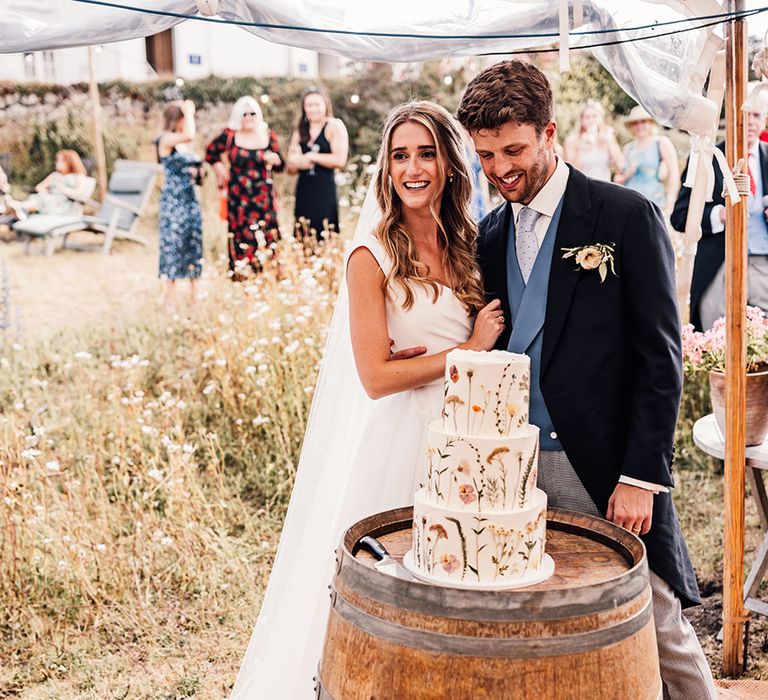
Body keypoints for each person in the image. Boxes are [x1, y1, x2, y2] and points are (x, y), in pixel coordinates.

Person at [456, 60, 716, 700]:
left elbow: (661, 358)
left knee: (655, 622)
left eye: (513, 149)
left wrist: (640, 476)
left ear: (550, 133)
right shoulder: (488, 236)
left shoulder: (625, 216)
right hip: (510, 470)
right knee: (545, 630)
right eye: (486, 155)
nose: (500, 169)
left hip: (602, 467)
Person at [229, 101, 504, 699]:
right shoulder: (369, 255)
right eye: (400, 155)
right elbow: (376, 376)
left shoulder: (465, 242)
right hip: (403, 438)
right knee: (397, 596)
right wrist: (468, 351)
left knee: (456, 592)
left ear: (449, 164)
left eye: (426, 153)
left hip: (466, 438)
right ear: (385, 168)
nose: (413, 167)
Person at [671, 94, 768, 330]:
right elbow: (680, 216)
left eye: (757, 116)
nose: (751, 122)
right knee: (716, 336)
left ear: (765, 120)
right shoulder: (707, 158)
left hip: (764, 263)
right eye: (746, 115)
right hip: (719, 264)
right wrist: (719, 215)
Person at [205, 96, 283, 278]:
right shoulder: (230, 135)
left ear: (258, 114)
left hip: (263, 197)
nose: (248, 117)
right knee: (242, 237)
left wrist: (273, 159)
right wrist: (218, 167)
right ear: (238, 116)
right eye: (244, 113)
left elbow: (281, 165)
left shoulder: (268, 134)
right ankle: (244, 277)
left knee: (267, 236)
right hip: (239, 198)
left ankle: (268, 277)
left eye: (252, 113)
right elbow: (210, 151)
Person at [156, 101, 203, 313]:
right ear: (179, 119)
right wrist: (190, 111)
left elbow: (194, 167)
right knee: (172, 248)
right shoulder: (166, 139)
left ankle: (195, 298)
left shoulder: (184, 146)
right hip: (173, 203)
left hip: (190, 200)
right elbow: (190, 135)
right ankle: (170, 301)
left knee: (193, 247)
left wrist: (198, 173)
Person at [286, 86, 348, 240]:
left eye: (317, 104)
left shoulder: (334, 126)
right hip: (304, 190)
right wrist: (299, 162)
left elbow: (340, 160)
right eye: (309, 105)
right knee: (303, 236)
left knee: (325, 236)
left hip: (324, 190)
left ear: (325, 105)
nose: (313, 109)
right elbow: (291, 166)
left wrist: (311, 157)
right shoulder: (300, 130)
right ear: (304, 108)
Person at [618, 105, 680, 216]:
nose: (639, 126)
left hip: (653, 202)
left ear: (651, 123)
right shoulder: (628, 148)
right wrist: (626, 175)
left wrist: (670, 201)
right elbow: (619, 178)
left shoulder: (661, 143)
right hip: (628, 203)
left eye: (643, 122)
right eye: (636, 123)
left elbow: (674, 173)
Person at [4, 150, 91, 218]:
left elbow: (79, 193)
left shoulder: (78, 176)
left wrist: (63, 189)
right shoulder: (55, 175)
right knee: (42, 198)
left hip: (64, 204)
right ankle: (18, 207)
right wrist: (44, 190)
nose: (56, 163)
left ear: (69, 162)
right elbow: (39, 186)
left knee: (43, 200)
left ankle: (18, 207)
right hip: (49, 199)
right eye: (57, 160)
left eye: (60, 160)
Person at [563, 100, 623, 182]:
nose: (591, 120)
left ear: (600, 118)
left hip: (603, 188)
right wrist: (581, 147)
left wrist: (610, 142)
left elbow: (621, 166)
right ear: (581, 119)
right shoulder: (572, 140)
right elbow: (571, 172)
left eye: (594, 116)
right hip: (582, 187)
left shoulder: (607, 137)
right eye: (587, 117)